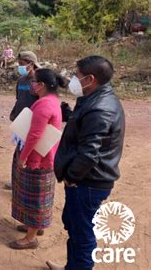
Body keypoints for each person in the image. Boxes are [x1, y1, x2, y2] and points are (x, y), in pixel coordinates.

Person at [46, 56, 125, 270]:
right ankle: (71, 266)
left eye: (77, 75)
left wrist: (71, 177)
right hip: (85, 180)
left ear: (90, 79)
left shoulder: (100, 109)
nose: (73, 79)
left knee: (82, 234)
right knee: (74, 227)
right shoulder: (93, 98)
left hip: (87, 182)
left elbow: (90, 154)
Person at [9, 68, 66, 250]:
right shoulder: (51, 101)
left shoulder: (44, 105)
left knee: (34, 198)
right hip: (42, 156)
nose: (31, 84)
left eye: (33, 81)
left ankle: (31, 238)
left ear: (41, 85)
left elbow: (34, 134)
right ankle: (34, 226)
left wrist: (23, 157)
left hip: (37, 159)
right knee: (33, 196)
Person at [5, 51, 41, 190]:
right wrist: (14, 112)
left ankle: (24, 184)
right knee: (19, 153)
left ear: (31, 64)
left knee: (29, 154)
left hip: (33, 124)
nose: (19, 67)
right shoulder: (21, 81)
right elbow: (19, 99)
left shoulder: (38, 83)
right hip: (20, 123)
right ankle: (16, 181)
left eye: (21, 64)